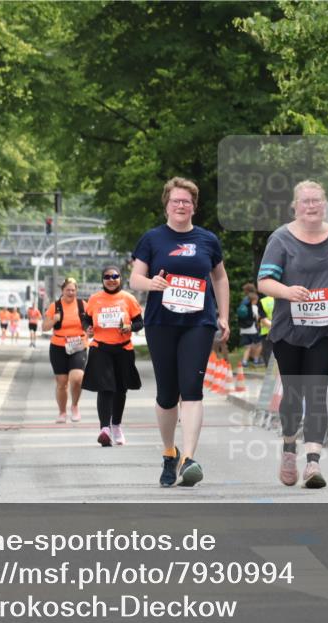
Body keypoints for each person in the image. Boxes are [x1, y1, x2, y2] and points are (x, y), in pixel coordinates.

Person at [258, 180, 328, 489]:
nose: (311, 206)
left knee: (317, 391)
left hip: (327, 330)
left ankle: (313, 462)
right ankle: (289, 447)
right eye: (305, 201)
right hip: (288, 330)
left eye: (316, 200)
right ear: (295, 206)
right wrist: (287, 291)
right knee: (293, 394)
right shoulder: (281, 239)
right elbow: (264, 282)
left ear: (325, 203)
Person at [130, 176, 230, 488]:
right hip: (161, 322)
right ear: (167, 206)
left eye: (187, 201)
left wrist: (224, 316)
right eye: (176, 201)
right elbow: (135, 278)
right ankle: (168, 453)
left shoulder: (207, 240)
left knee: (192, 387)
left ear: (194, 207)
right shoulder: (152, 239)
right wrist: (152, 284)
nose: (181, 205)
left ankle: (188, 458)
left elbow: (220, 278)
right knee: (166, 394)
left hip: (198, 323)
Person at [80, 265, 144, 447]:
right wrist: (88, 327)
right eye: (107, 277)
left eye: (115, 276)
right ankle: (104, 429)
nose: (111, 279)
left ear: (120, 279)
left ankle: (116, 425)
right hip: (101, 348)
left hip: (123, 349)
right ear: (102, 279)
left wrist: (130, 327)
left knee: (120, 390)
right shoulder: (94, 299)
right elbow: (86, 318)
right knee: (105, 388)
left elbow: (140, 322)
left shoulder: (128, 299)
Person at [42, 277, 88, 423]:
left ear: (76, 291)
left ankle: (74, 406)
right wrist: (54, 319)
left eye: (73, 290)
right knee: (62, 383)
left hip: (78, 344)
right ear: (62, 291)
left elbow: (90, 323)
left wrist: (91, 330)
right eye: (68, 290)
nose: (71, 292)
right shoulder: (54, 306)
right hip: (58, 346)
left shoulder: (82, 305)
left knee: (77, 378)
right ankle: (62, 412)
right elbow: (45, 327)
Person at [237, 284, 266, 367]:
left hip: (243, 329)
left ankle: (244, 362)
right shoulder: (254, 307)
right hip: (252, 328)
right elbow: (257, 318)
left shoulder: (243, 303)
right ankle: (256, 360)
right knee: (259, 344)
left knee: (248, 347)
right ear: (254, 300)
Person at [259, 293, 275, 365]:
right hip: (281, 332)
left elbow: (263, 320)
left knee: (268, 353)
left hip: (266, 332)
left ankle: (271, 374)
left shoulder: (263, 301)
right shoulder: (281, 299)